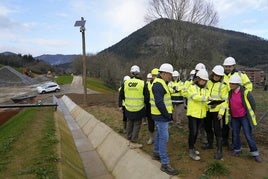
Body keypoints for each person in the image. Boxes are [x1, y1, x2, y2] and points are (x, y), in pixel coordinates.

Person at [219, 74, 262, 162]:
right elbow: (227, 104)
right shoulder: (230, 93)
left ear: (237, 84)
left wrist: (249, 114)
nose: (230, 85)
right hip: (234, 118)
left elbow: (253, 104)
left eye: (232, 84)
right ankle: (237, 149)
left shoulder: (245, 92)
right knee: (235, 134)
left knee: (248, 134)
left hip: (244, 117)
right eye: (230, 83)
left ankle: (255, 153)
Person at [151, 63, 178, 175]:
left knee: (159, 135)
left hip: (159, 115)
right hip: (161, 116)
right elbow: (159, 102)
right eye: (169, 74)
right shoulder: (158, 84)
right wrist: (167, 115)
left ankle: (156, 153)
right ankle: (165, 163)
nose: (170, 76)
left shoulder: (161, 83)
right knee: (164, 137)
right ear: (163, 73)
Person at [222, 56, 253, 149]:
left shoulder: (240, 75)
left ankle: (235, 144)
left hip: (236, 102)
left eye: (229, 66)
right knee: (225, 123)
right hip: (226, 102)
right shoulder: (222, 75)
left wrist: (241, 94)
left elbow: (249, 86)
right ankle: (225, 140)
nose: (227, 68)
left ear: (234, 66)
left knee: (234, 126)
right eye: (226, 66)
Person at [118, 65, 149, 149]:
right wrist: (145, 103)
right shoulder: (142, 83)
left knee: (129, 122)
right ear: (138, 73)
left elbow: (121, 95)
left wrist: (120, 105)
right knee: (137, 124)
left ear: (131, 73)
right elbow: (147, 97)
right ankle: (133, 141)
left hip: (128, 108)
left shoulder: (126, 83)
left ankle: (128, 138)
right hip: (139, 108)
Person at [203, 65, 228, 159]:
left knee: (217, 130)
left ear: (221, 76)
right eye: (215, 75)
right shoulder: (207, 83)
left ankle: (219, 150)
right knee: (207, 127)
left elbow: (225, 100)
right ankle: (210, 144)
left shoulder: (223, 85)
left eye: (219, 75)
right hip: (207, 109)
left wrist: (221, 112)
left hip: (217, 111)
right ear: (212, 74)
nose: (217, 77)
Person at [185, 69, 210, 161]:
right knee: (193, 132)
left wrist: (212, 104)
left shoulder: (206, 89)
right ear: (198, 79)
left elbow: (206, 102)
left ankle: (193, 147)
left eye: (205, 80)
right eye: (202, 80)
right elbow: (195, 97)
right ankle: (191, 150)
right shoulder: (192, 87)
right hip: (192, 114)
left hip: (201, 114)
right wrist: (207, 98)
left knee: (196, 132)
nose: (203, 82)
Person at [146, 69, 158, 145]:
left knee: (157, 123)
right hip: (149, 106)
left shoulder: (160, 84)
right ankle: (151, 137)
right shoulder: (147, 84)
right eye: (153, 76)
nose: (155, 77)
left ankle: (157, 138)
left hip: (157, 106)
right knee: (150, 122)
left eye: (156, 75)